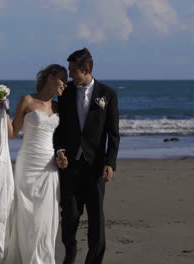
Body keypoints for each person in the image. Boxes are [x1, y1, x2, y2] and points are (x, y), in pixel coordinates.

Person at [53, 48, 120, 264]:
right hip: (70, 165)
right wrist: (59, 150)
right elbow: (59, 128)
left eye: (74, 71)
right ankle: (70, 253)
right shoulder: (65, 93)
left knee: (96, 220)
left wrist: (110, 163)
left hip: (96, 167)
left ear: (87, 69)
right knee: (70, 217)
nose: (70, 75)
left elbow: (113, 133)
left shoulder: (107, 94)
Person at [1, 64, 67, 264]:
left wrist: (61, 155)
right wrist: (3, 109)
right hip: (28, 165)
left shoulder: (58, 107)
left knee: (46, 221)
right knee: (28, 217)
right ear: (50, 78)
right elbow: (11, 134)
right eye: (62, 79)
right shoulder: (27, 101)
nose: (65, 84)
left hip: (49, 168)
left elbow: (60, 139)